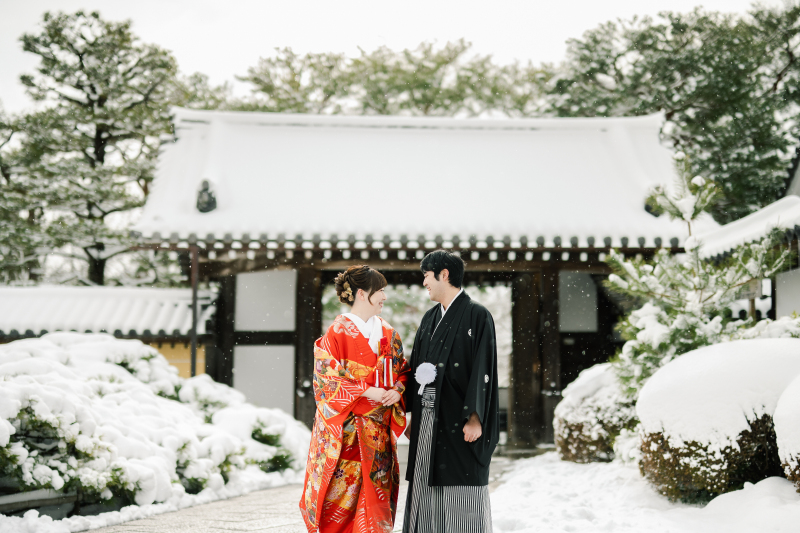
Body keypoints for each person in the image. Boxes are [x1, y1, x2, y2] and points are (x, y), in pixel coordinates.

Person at [300, 265, 410, 533]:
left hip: (378, 432)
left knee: (377, 498)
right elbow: (326, 378)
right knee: (342, 498)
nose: (384, 296)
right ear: (362, 294)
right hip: (347, 430)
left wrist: (397, 389)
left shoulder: (388, 333)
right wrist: (367, 391)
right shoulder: (337, 332)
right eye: (380, 290)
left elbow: (403, 370)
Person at [402, 250, 499, 533]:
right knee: (425, 476)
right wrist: (413, 415)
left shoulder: (477, 315)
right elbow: (417, 367)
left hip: (459, 415)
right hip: (428, 415)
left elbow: (484, 368)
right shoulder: (430, 318)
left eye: (426, 276)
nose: (424, 283)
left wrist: (475, 416)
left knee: (461, 478)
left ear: (444, 274)